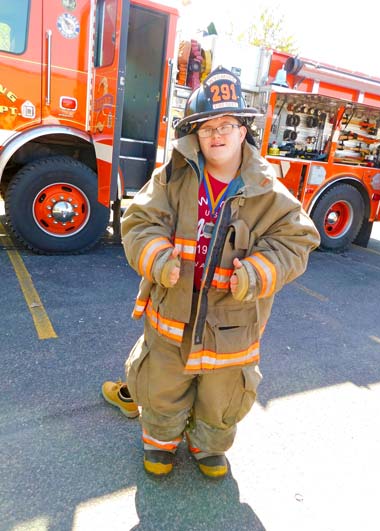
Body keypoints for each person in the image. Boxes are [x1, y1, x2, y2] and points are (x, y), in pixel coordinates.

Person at [102, 66, 320, 479]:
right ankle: (160, 442)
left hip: (233, 329)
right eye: (206, 128)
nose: (216, 134)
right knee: (163, 384)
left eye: (227, 125)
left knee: (222, 394)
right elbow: (139, 223)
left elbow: (297, 241)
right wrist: (160, 260)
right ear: (194, 135)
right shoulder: (172, 178)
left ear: (244, 131)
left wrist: (257, 273)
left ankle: (208, 446)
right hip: (170, 318)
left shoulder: (271, 193)